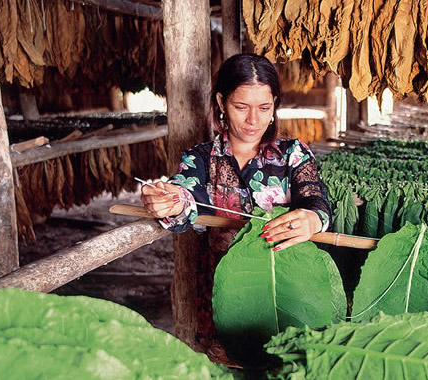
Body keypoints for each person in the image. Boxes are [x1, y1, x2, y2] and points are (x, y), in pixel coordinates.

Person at [139, 53, 332, 359]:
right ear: (221, 103)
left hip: (287, 286)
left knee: (289, 363)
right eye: (241, 107)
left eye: (264, 108)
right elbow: (187, 198)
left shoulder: (292, 154)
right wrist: (168, 201)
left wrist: (312, 217)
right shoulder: (201, 158)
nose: (253, 120)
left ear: (275, 104)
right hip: (225, 290)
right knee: (229, 363)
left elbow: (314, 197)